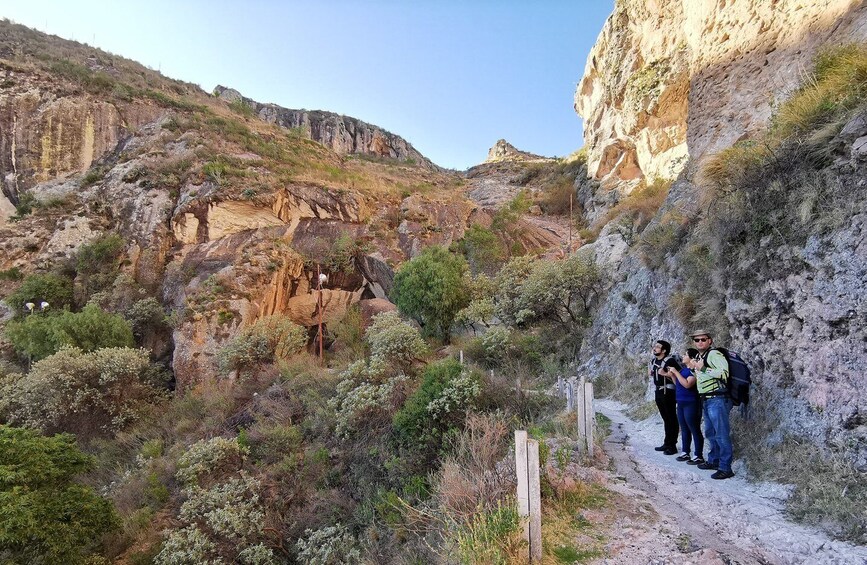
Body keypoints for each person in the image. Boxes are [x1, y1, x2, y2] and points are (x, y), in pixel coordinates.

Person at [685, 329, 734, 480]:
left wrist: (702, 368)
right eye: (697, 340)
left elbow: (724, 374)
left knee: (721, 434)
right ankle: (714, 460)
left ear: (710, 341)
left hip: (718, 399)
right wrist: (694, 369)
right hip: (707, 399)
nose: (700, 342)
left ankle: (725, 468)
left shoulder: (714, 354)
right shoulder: (701, 356)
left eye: (703, 339)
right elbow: (703, 376)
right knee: (711, 433)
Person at [662, 348, 704, 465]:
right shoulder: (684, 370)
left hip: (691, 402)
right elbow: (679, 384)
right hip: (681, 402)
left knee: (694, 428)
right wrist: (672, 376)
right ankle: (685, 451)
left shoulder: (694, 371)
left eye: (685, 354)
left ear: (691, 358)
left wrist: (675, 372)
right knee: (684, 428)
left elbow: (687, 384)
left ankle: (698, 455)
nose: (683, 356)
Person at [649, 339, 680, 455]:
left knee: (671, 417)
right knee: (666, 418)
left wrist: (666, 374)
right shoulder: (654, 361)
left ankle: (672, 445)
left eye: (657, 347)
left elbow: (679, 375)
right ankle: (667, 443)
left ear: (664, 350)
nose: (655, 348)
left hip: (668, 391)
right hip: (659, 392)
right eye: (655, 346)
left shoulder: (670, 361)